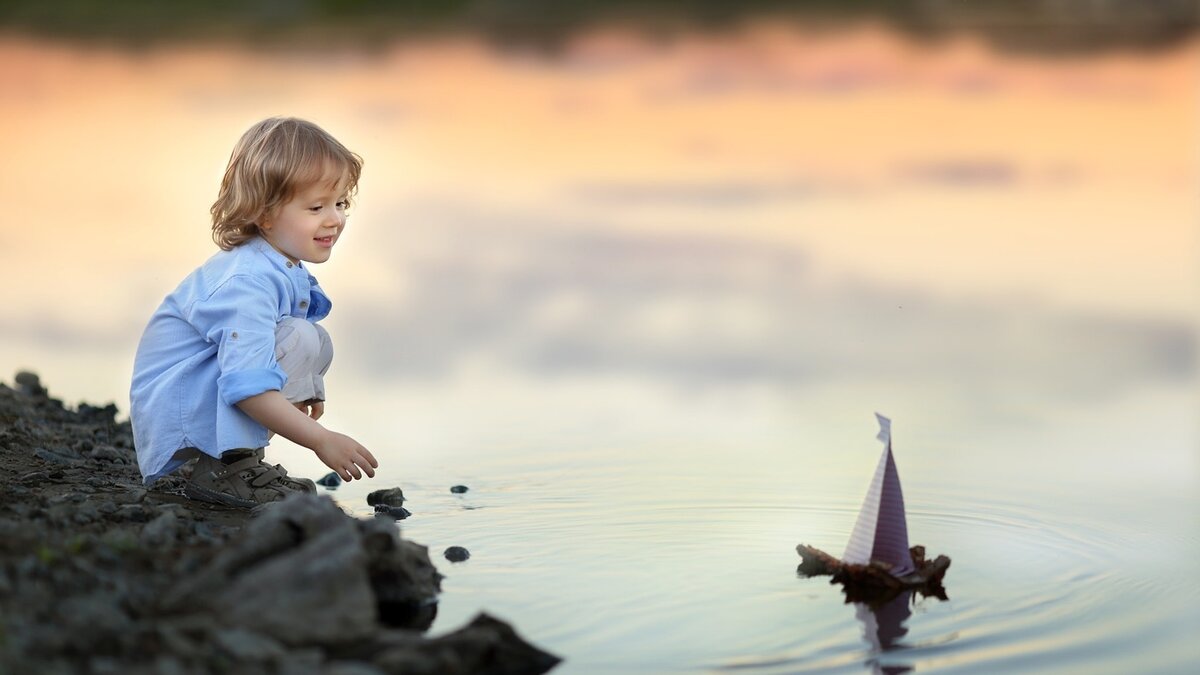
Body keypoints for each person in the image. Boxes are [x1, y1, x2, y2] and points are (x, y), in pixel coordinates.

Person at [130, 117, 379, 508]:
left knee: (312, 339)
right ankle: (225, 469)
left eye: (340, 203)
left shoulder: (277, 263)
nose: (334, 218)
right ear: (264, 214)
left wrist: (307, 385)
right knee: (298, 339)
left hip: (202, 392)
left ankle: (238, 463)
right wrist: (321, 439)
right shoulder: (247, 281)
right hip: (176, 409)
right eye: (316, 206)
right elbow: (245, 385)